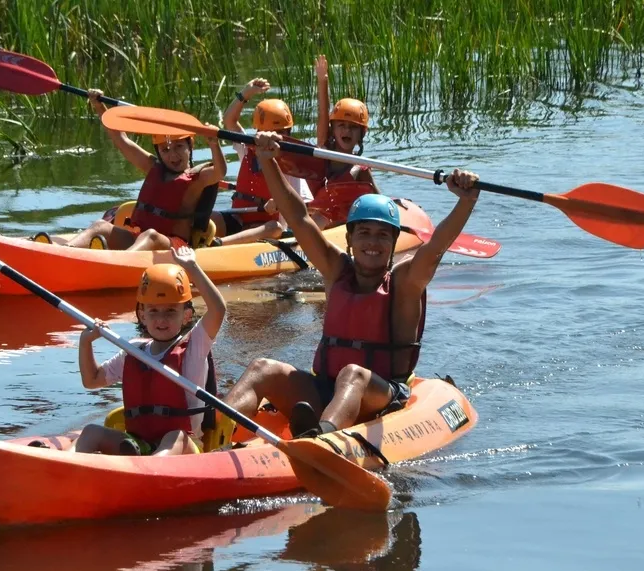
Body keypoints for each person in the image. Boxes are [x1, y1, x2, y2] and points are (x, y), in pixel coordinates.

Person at [222, 131, 481, 438]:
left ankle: (319, 440)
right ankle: (207, 434)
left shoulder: (406, 281)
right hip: (326, 388)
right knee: (261, 368)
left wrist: (467, 200)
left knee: (352, 375)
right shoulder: (336, 270)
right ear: (349, 239)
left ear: (395, 241)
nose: (373, 243)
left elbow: (437, 245)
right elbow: (297, 216)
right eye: (365, 233)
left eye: (383, 235)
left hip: (381, 394)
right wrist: (267, 161)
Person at [71, 245, 227, 455]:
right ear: (143, 316)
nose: (161, 319)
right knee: (91, 432)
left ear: (187, 315)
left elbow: (218, 308)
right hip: (138, 443)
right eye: (153, 311)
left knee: (175, 436)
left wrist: (192, 266)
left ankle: (149, 469)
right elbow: (92, 380)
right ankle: (61, 465)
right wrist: (86, 343)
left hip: (186, 447)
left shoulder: (194, 345)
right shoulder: (133, 350)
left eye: (171, 311)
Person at [40, 89, 226, 251]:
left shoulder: (198, 177)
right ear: (158, 151)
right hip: (138, 239)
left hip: (173, 245)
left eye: (178, 147)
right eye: (165, 150)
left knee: (151, 235)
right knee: (99, 226)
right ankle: (65, 251)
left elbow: (220, 172)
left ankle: (116, 261)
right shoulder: (153, 166)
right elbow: (121, 139)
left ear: (190, 145)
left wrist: (213, 143)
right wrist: (99, 106)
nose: (172, 156)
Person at [209, 77, 315, 246]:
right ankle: (190, 243)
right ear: (258, 132)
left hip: (270, 228)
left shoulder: (292, 164)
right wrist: (246, 93)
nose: (273, 138)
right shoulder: (247, 148)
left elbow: (303, 207)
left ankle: (219, 244)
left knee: (275, 227)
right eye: (268, 132)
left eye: (280, 133)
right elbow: (229, 121)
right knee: (209, 217)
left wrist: (280, 203)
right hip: (239, 219)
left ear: (288, 134)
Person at [308, 54, 382, 227]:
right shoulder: (324, 150)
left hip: (343, 223)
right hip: (318, 219)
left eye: (353, 127)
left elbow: (379, 199)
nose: (347, 130)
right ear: (333, 130)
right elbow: (323, 115)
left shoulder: (361, 169)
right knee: (321, 217)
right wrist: (322, 81)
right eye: (341, 125)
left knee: (357, 169)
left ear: (361, 135)